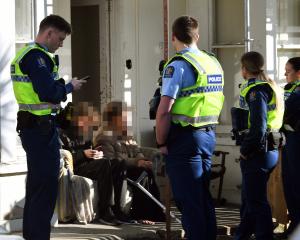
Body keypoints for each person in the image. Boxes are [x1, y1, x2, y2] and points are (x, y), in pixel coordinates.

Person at [10, 15, 86, 240]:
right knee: (45, 189)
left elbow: (43, 89)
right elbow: (47, 93)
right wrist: (69, 87)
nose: (61, 44)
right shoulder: (37, 58)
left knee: (37, 186)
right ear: (48, 33)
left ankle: (33, 235)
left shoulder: (29, 55)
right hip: (40, 130)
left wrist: (64, 85)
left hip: (35, 128)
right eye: (60, 39)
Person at [156, 16, 224, 240]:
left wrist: (161, 142)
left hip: (184, 139)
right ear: (197, 36)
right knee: (203, 198)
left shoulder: (178, 66)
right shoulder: (212, 62)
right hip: (207, 135)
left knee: (189, 201)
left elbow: (164, 110)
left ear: (173, 36)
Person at [233, 51, 284, 240]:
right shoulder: (271, 86)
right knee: (249, 200)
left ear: (245, 69)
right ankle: (242, 235)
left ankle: (264, 236)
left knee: (256, 202)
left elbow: (258, 126)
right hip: (267, 149)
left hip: (258, 152)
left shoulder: (257, 90)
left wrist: (246, 150)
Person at [94, 101, 165, 224]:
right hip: (117, 172)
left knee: (146, 171)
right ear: (113, 118)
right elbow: (113, 161)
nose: (128, 120)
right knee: (141, 173)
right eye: (124, 117)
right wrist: (137, 162)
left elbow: (137, 150)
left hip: (130, 167)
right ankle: (141, 214)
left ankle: (155, 213)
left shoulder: (127, 135)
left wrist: (142, 159)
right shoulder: (104, 137)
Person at [59, 102, 128, 226]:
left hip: (88, 165)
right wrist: (84, 154)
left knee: (118, 163)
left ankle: (117, 208)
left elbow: (90, 153)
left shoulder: (86, 134)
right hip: (77, 168)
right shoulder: (64, 135)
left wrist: (96, 155)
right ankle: (105, 211)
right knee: (104, 165)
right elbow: (65, 159)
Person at [278, 57, 300, 239]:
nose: (285, 74)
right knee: (289, 182)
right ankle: (294, 222)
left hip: (296, 139)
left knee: (295, 183)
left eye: (288, 71)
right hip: (288, 139)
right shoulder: (287, 89)